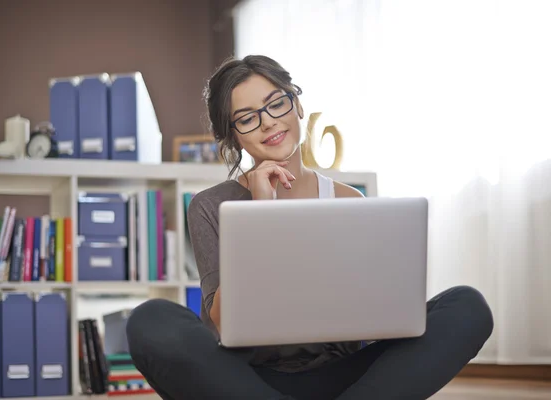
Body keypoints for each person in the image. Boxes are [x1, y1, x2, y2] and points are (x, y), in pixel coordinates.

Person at [126, 55, 494, 400]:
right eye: (247, 117)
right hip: (247, 379)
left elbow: (378, 319)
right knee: (150, 319)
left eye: (276, 103)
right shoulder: (210, 206)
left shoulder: (348, 200)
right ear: (233, 136)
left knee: (467, 306)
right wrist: (260, 210)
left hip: (346, 376)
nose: (268, 121)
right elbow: (222, 323)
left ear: (297, 105)